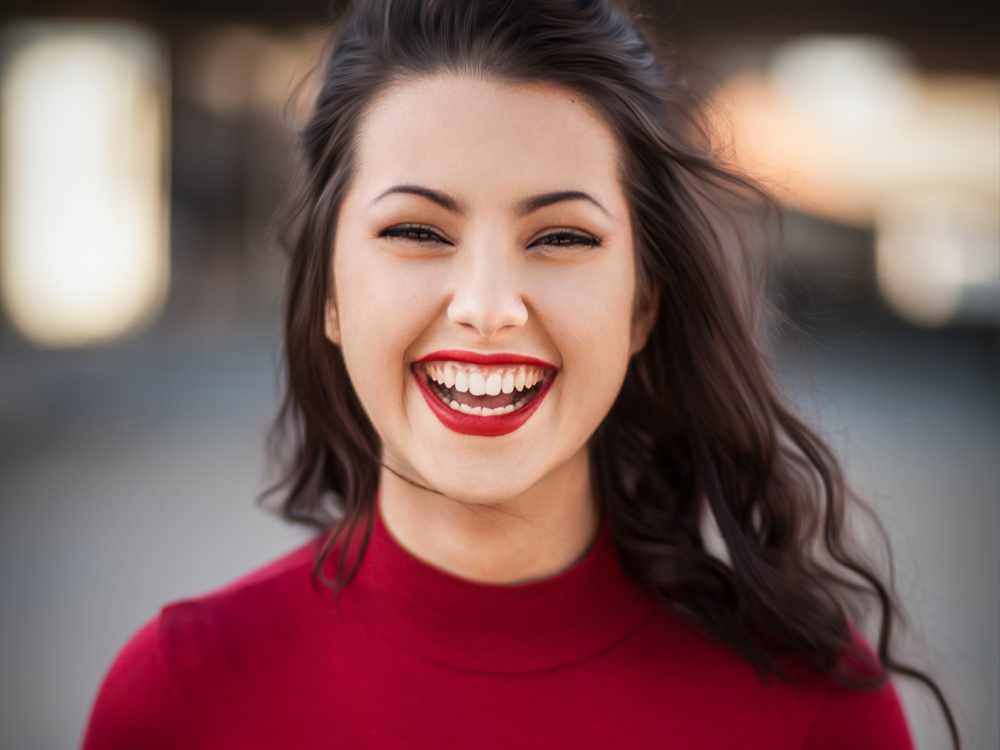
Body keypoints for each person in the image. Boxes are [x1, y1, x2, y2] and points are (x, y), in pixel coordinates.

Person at [81, 1, 961, 748]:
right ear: (331, 295)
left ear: (643, 305)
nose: (490, 306)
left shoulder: (815, 709)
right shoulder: (180, 697)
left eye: (563, 238)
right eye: (418, 231)